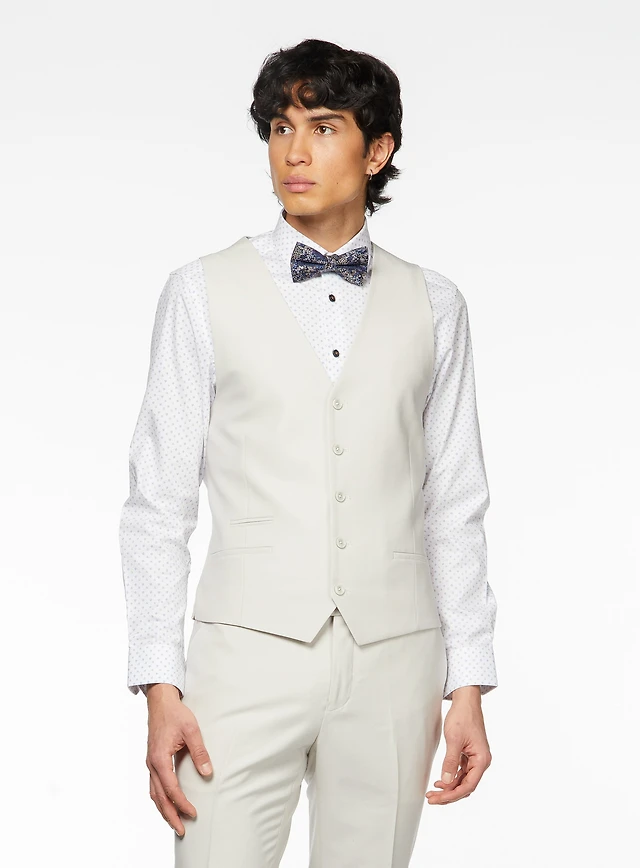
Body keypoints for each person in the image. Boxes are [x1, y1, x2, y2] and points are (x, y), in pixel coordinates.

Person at [119, 37, 498, 868]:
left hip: (395, 661)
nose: (293, 151)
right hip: (241, 661)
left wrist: (468, 680)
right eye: (280, 127)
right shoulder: (200, 291)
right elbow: (158, 503)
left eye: (324, 127)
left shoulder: (437, 305)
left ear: (377, 150)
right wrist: (158, 682)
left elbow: (456, 503)